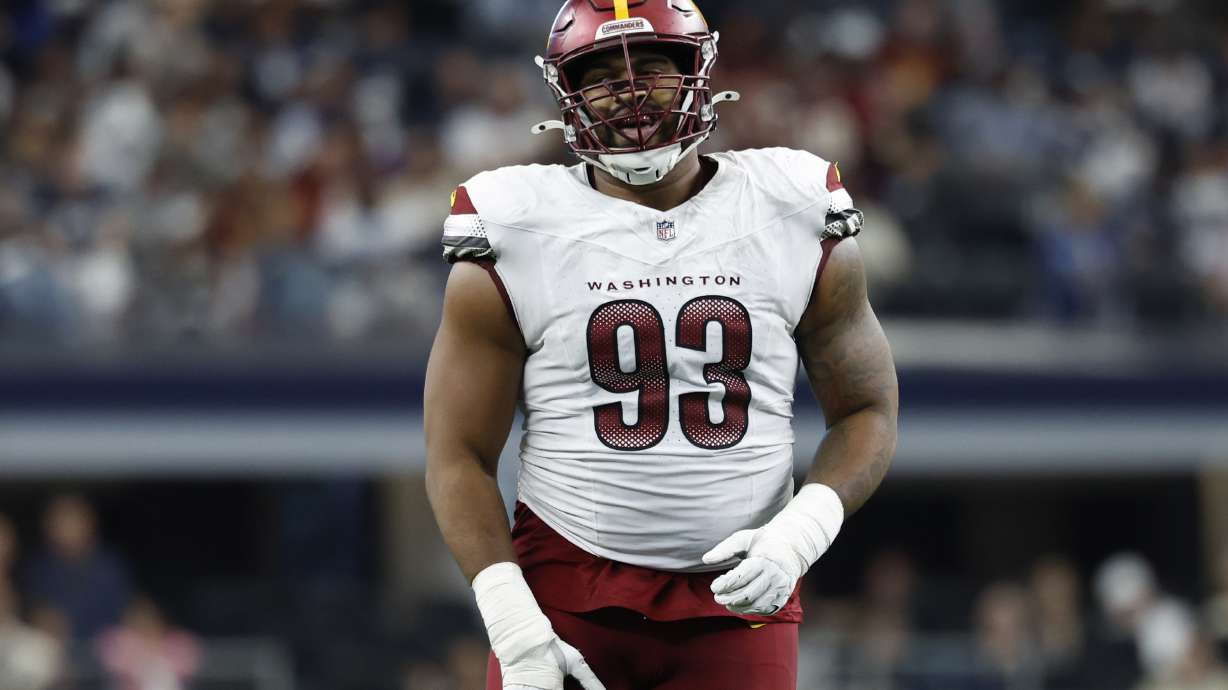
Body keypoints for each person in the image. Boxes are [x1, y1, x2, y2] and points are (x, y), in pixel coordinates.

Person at [424, 2, 899, 689]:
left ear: (699, 73)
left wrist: (800, 533)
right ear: (566, 92)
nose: (631, 92)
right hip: (563, 587)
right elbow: (457, 453)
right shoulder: (516, 224)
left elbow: (867, 410)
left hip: (740, 594)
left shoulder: (790, 205)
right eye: (601, 77)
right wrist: (511, 620)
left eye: (651, 66)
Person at [23, 494, 133, 641]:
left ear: (89, 523)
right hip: (56, 644)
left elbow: (125, 611)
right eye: (60, 522)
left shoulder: (109, 566)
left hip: (107, 643)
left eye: (72, 521)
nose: (67, 529)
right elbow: (32, 612)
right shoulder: (38, 569)